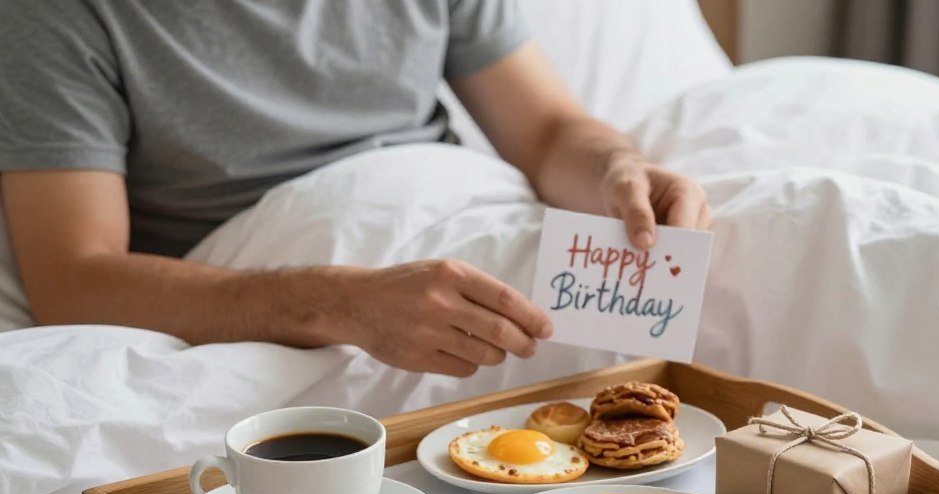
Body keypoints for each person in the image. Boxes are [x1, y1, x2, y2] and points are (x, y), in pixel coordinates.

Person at [0, 0, 711, 377]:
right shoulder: (53, 14)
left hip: (472, 236)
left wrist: (619, 170)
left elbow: (550, 131)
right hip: (286, 290)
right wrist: (344, 304)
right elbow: (74, 280)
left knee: (791, 238)